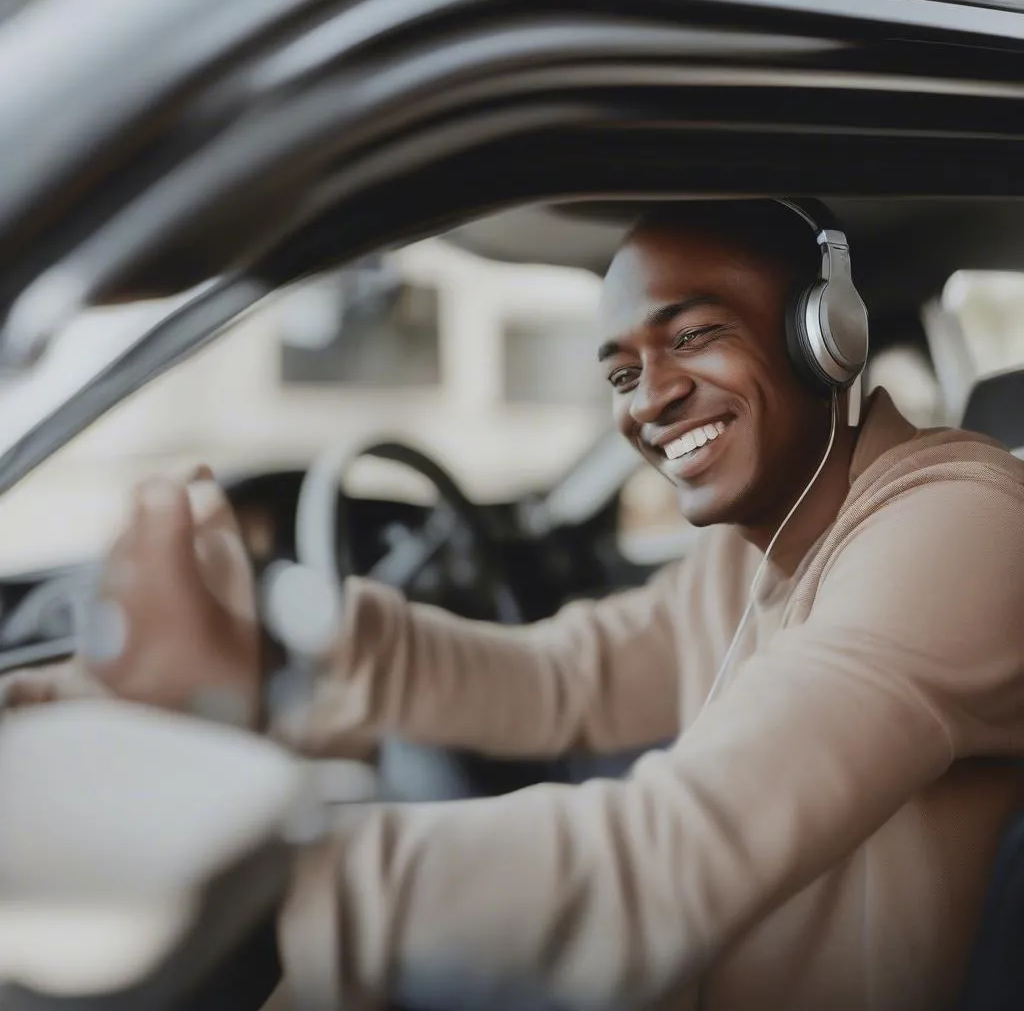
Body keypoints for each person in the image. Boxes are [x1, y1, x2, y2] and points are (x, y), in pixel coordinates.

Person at [3, 199, 1023, 1011]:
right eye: (622, 370)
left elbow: (665, 862)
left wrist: (253, 882)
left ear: (825, 337)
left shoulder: (959, 523)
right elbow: (562, 683)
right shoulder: (757, 550)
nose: (649, 398)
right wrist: (288, 648)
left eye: (695, 334)